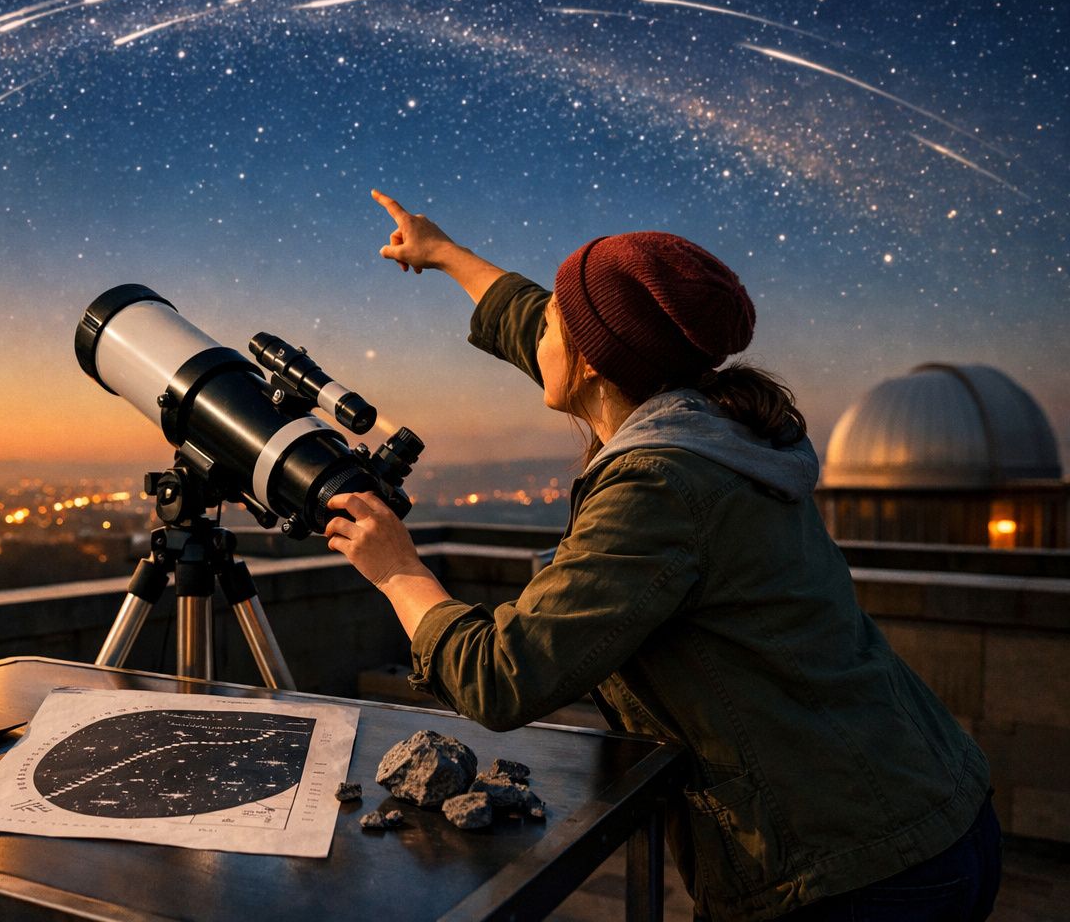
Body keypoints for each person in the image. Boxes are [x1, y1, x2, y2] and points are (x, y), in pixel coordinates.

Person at [324, 190, 1001, 922]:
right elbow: (533, 320)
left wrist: (397, 568)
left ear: (587, 362)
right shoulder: (703, 419)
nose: (537, 328)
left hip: (847, 870)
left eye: (555, 320)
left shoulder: (661, 483)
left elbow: (501, 678)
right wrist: (443, 251)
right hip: (927, 807)